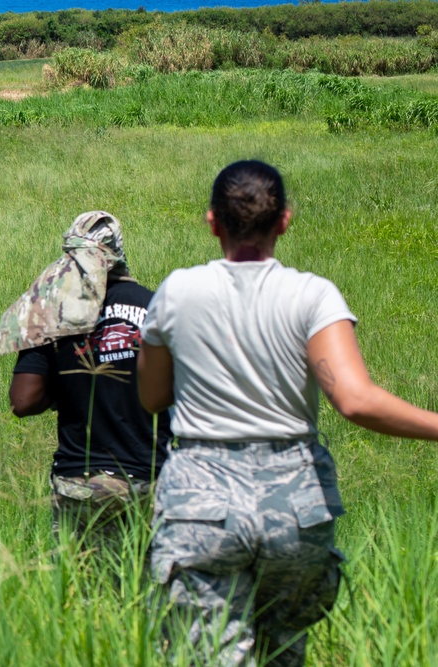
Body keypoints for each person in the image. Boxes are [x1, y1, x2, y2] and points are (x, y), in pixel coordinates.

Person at [137, 160, 438, 666]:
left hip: (201, 503)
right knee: (284, 653)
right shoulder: (312, 296)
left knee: (209, 655)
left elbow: (152, 397)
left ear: (212, 222)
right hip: (295, 504)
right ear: (285, 221)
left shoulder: (177, 292)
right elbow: (355, 400)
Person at [2, 211, 171, 556]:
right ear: (119, 254)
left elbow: (23, 400)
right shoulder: (158, 307)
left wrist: (65, 387)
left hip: (80, 483)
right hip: (151, 480)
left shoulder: (54, 313)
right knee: (150, 594)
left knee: (83, 598)